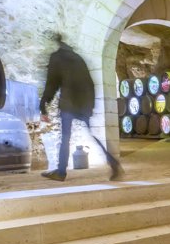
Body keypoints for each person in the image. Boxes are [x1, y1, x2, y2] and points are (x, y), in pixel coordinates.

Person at [39, 33, 124, 182]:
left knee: (65, 137)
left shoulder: (56, 58)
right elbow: (89, 83)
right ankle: (114, 164)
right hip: (83, 103)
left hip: (69, 102)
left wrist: (43, 105)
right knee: (91, 134)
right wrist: (89, 106)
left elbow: (52, 83)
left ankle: (60, 172)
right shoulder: (78, 58)